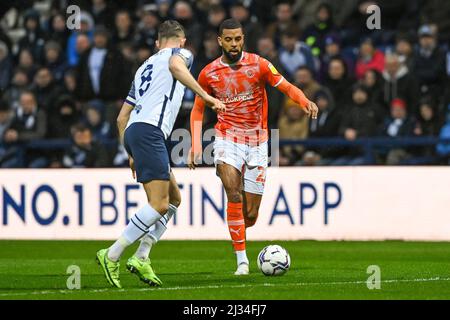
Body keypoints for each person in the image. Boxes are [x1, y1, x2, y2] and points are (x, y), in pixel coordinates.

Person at [96, 20, 224, 288]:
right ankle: (112, 254)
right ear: (182, 40)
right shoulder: (181, 54)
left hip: (136, 133)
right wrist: (206, 96)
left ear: (157, 42)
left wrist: (130, 150)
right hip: (151, 132)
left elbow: (121, 118)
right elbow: (177, 66)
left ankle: (142, 256)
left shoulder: (144, 66)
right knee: (160, 204)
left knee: (174, 199)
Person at [188, 19, 318, 275]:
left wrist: (304, 101)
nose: (233, 44)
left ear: (243, 38)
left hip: (258, 143)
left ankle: (239, 232)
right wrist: (194, 144)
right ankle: (242, 262)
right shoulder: (208, 73)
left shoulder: (259, 64)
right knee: (232, 192)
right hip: (227, 139)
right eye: (229, 39)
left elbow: (285, 85)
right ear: (220, 41)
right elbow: (197, 109)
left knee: (250, 215)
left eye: (238, 39)